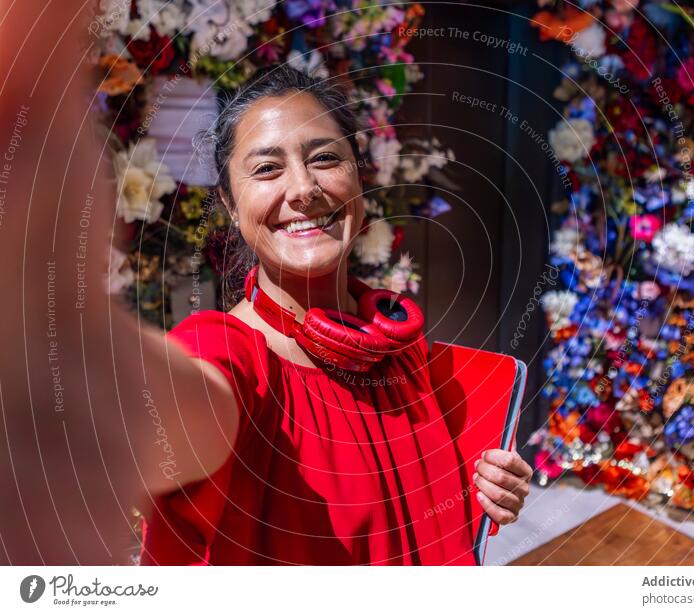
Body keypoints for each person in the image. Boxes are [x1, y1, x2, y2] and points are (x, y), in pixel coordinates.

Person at [1, 4, 531, 563]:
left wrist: (485, 490)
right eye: (267, 169)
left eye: (325, 157)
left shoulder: (399, 350)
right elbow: (159, 410)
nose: (303, 189)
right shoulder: (227, 354)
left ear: (359, 177)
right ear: (230, 206)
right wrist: (49, 318)